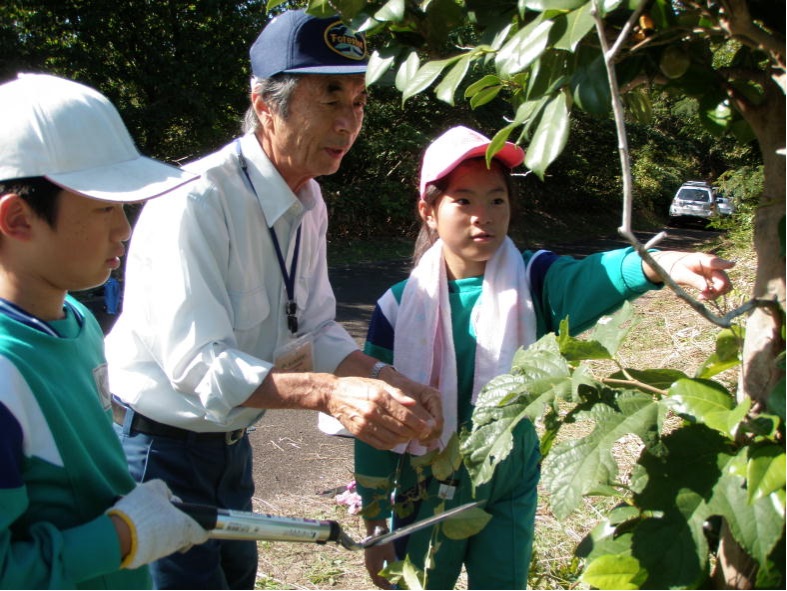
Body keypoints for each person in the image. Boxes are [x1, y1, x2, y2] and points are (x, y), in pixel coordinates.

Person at [104, 9, 442, 589]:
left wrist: (387, 377)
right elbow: (199, 368)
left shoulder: (310, 202)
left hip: (231, 448)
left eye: (359, 102)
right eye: (330, 99)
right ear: (265, 104)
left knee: (237, 579)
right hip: (155, 451)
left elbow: (314, 331)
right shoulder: (194, 202)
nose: (349, 123)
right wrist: (329, 394)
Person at [355, 125, 735, 589]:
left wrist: (661, 264)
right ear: (428, 211)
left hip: (512, 478)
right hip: (427, 486)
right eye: (463, 200)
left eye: (497, 199)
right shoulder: (398, 308)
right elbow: (375, 419)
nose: (484, 216)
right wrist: (375, 529)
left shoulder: (534, 279)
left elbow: (592, 274)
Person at [0, 73, 209, 589]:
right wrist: (120, 538)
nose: (124, 229)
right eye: (104, 208)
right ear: (18, 219)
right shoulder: (5, 374)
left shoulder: (77, 317)